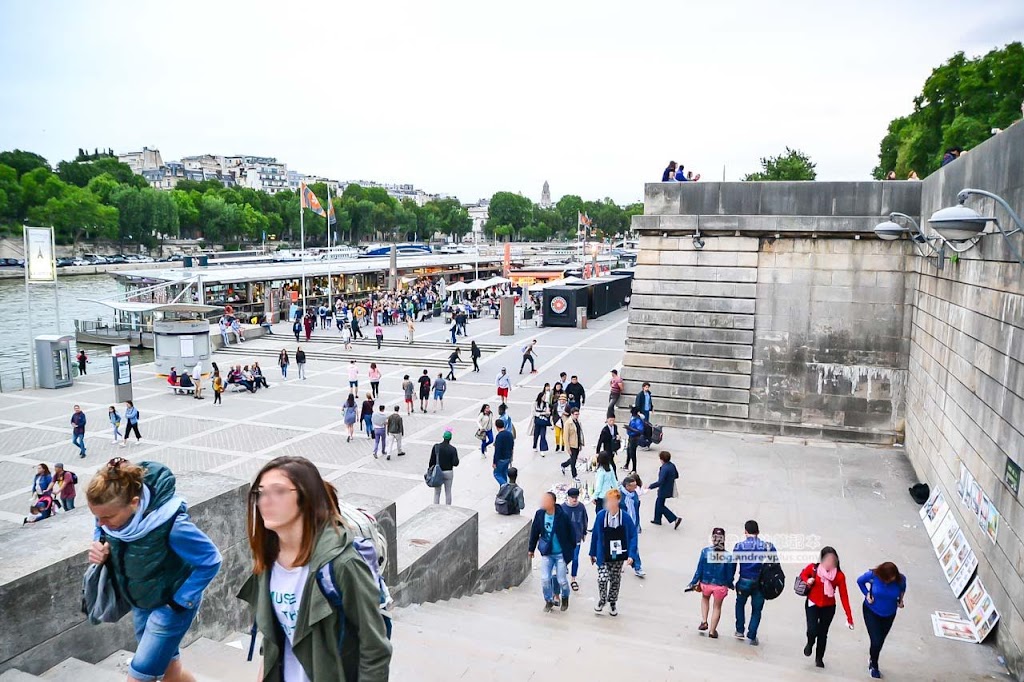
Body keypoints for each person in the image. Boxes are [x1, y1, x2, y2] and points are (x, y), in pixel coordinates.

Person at [238, 456, 392, 681]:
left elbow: (375, 649)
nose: (264, 501)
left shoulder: (343, 565)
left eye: (278, 491)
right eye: (260, 492)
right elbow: (274, 637)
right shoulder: (267, 560)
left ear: (306, 498)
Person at [87, 458, 222, 682]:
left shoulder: (172, 525)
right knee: (170, 668)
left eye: (107, 517)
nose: (101, 523)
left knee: (139, 675)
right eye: (97, 517)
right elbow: (100, 532)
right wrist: (99, 548)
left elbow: (211, 560)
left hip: (170, 608)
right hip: (140, 601)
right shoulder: (112, 518)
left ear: (134, 503)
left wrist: (179, 602)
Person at [800, 546, 854, 668]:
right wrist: (807, 580)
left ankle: (819, 658)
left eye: (832, 560)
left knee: (823, 633)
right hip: (812, 603)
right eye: (827, 559)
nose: (830, 563)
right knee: (812, 629)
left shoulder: (839, 576)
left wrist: (849, 616)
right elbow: (803, 575)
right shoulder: (813, 568)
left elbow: (844, 596)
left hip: (828, 607)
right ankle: (810, 642)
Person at [589, 488, 639, 616]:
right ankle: (602, 599)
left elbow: (633, 535)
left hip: (618, 554)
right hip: (603, 554)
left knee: (615, 579)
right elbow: (595, 534)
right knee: (602, 578)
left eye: (612, 501)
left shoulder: (625, 518)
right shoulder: (601, 516)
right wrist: (592, 553)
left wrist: (631, 555)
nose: (610, 504)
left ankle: (612, 602)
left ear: (618, 501)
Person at [528, 491, 576, 612]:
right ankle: (548, 600)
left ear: (553, 502)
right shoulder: (540, 514)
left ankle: (565, 597)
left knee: (561, 580)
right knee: (545, 579)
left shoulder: (562, 516)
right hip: (547, 553)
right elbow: (534, 531)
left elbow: (571, 534)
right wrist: (531, 549)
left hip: (560, 554)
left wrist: (570, 550)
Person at [858, 561, 906, 679]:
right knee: (876, 640)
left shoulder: (901, 579)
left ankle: (873, 657)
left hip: (889, 614)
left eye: (891, 578)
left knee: (880, 641)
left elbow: (902, 590)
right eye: (886, 579)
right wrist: (866, 594)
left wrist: (900, 600)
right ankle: (874, 665)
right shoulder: (873, 575)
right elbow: (860, 581)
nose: (889, 581)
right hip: (871, 611)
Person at [733, 519, 777, 646]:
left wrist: (730, 580)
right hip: (760, 582)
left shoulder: (739, 546)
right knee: (757, 610)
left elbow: (732, 564)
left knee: (740, 604)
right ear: (758, 532)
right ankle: (752, 634)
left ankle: (739, 630)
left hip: (744, 580)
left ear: (745, 532)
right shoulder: (768, 546)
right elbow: (774, 565)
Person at [687, 527, 735, 638]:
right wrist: (730, 584)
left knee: (705, 598)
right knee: (717, 607)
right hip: (720, 586)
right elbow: (729, 575)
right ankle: (713, 631)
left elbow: (699, 569)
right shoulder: (728, 556)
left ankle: (704, 621)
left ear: (713, 539)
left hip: (706, 584)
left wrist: (693, 582)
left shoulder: (705, 552)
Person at [562, 488, 588, 592]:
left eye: (576, 497)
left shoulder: (581, 507)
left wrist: (584, 532)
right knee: (564, 559)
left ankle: (573, 578)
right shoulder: (562, 508)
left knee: (575, 558)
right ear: (568, 497)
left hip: (577, 536)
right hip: (565, 539)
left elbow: (584, 520)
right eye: (572, 498)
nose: (574, 500)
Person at [619, 475, 645, 578]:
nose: (635, 488)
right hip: (621, 525)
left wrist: (637, 523)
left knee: (634, 546)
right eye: (633, 486)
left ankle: (637, 567)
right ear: (627, 486)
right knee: (620, 545)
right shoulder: (619, 496)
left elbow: (636, 509)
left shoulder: (634, 494)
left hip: (632, 524)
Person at [648, 451, 680, 528]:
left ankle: (675, 518)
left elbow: (660, 481)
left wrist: (650, 486)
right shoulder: (672, 465)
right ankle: (657, 519)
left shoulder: (664, 468)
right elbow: (676, 475)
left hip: (663, 489)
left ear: (662, 459)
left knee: (660, 506)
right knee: (659, 503)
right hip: (669, 487)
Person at [428, 430, 459, 505]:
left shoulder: (436, 447)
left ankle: (436, 507)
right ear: (450, 438)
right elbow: (455, 463)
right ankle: (448, 507)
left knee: (437, 493)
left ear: (443, 437)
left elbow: (431, 461)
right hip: (448, 472)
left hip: (438, 472)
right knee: (448, 492)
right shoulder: (453, 449)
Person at [560, 408, 584, 478]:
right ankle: (574, 475)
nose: (577, 416)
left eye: (578, 414)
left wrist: (581, 444)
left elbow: (579, 433)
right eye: (576, 414)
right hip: (571, 445)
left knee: (573, 458)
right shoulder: (568, 423)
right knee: (573, 461)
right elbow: (565, 437)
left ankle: (564, 465)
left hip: (577, 444)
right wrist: (568, 448)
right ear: (572, 414)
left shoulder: (578, 422)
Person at [492, 419, 514, 486]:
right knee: (504, 473)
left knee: (497, 474)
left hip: (501, 458)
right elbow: (512, 446)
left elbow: (497, 450)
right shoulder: (509, 434)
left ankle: (505, 486)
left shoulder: (499, 436)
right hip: (508, 457)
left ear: (496, 426)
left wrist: (494, 462)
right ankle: (503, 488)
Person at [624, 407, 644, 473]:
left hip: (634, 438)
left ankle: (634, 469)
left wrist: (629, 428)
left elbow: (640, 431)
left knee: (632, 453)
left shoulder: (638, 420)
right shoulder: (633, 417)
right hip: (630, 437)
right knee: (628, 451)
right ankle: (626, 465)